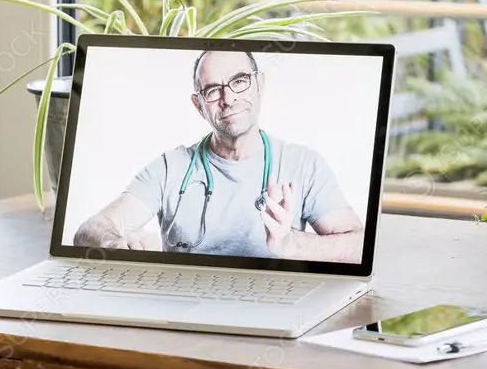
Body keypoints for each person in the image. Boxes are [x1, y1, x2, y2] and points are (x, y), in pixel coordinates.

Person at [73, 49, 365, 263]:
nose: (228, 99)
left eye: (239, 82)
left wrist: (292, 244)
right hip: (183, 312)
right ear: (198, 105)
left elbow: (358, 246)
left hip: (273, 310)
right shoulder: (169, 169)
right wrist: (119, 244)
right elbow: (89, 231)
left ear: (260, 84)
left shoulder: (303, 165)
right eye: (213, 90)